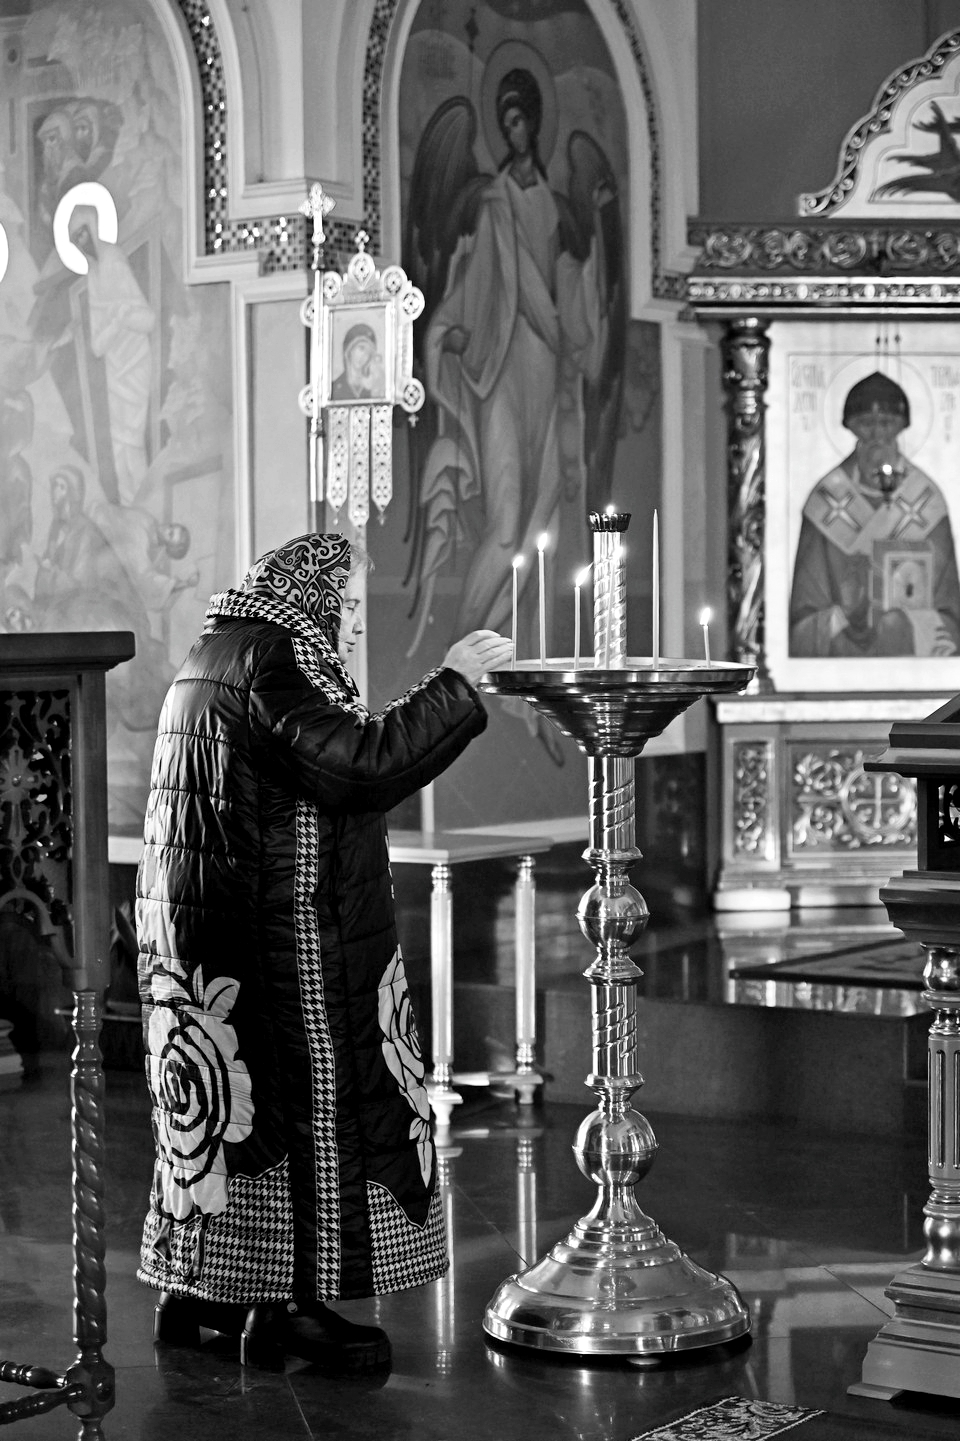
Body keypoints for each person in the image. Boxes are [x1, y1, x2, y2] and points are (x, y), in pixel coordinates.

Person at [137, 531, 512, 1373]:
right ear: (308, 592)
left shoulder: (213, 652)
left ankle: (201, 1289)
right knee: (303, 1114)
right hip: (282, 941)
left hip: (216, 939)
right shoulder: (273, 658)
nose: (352, 623)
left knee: (231, 1120)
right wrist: (454, 684)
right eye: (346, 603)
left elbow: (318, 760)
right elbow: (358, 764)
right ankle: (287, 1308)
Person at [789, 371, 960, 657]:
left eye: (886, 423)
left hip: (910, 658)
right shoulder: (825, 501)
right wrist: (845, 616)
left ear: (900, 428)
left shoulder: (926, 501)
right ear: (853, 428)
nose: (877, 435)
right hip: (841, 662)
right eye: (867, 424)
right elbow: (802, 625)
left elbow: (950, 615)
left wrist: (901, 624)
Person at [329, 322, 385, 401]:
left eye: (368, 353)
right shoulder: (333, 389)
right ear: (349, 350)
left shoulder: (375, 388)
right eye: (361, 348)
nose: (364, 356)